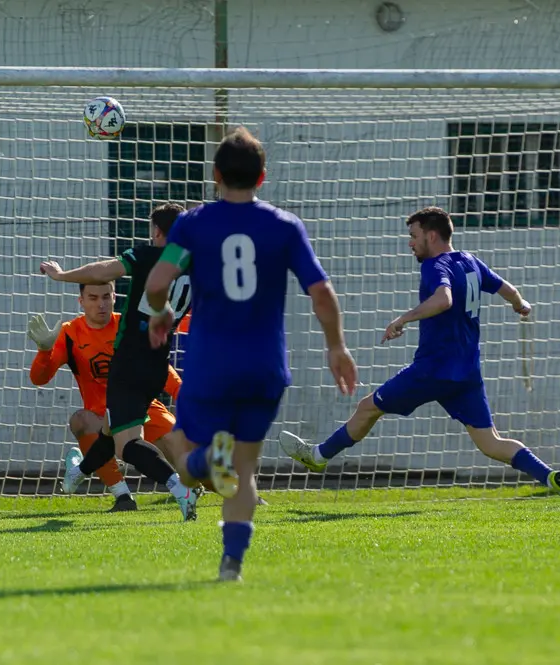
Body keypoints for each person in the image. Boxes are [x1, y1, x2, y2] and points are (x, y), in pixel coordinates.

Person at [144, 127, 357, 581]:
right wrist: (336, 346)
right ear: (262, 177)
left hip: (210, 364)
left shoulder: (194, 223)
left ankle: (204, 462)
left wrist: (160, 315)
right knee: (246, 465)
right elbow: (320, 292)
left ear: (216, 175)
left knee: (184, 454)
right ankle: (231, 565)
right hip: (265, 367)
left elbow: (157, 283)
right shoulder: (283, 226)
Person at [278, 206, 560, 508]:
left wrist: (403, 319)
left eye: (414, 235)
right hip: (466, 373)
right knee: (491, 442)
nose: (410, 243)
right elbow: (507, 288)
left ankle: (318, 457)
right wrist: (521, 305)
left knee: (367, 407)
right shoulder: (470, 262)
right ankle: (550, 477)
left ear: (432, 235)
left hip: (432, 370)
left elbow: (444, 299)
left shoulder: (435, 266)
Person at [40, 203, 201, 521]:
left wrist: (61, 276)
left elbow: (102, 271)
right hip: (158, 365)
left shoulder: (150, 256)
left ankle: (180, 489)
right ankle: (79, 471)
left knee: (127, 445)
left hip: (128, 364)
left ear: (156, 232)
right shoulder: (198, 266)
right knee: (110, 430)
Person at [27, 280, 185, 512]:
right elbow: (39, 379)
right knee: (80, 420)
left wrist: (183, 394)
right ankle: (123, 497)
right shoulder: (70, 333)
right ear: (81, 301)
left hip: (145, 410)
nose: (100, 304)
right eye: (93, 298)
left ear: (113, 297)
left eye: (105, 297)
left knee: (194, 463)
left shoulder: (129, 327)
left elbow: (159, 368)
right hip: (101, 418)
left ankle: (238, 493)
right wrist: (44, 351)